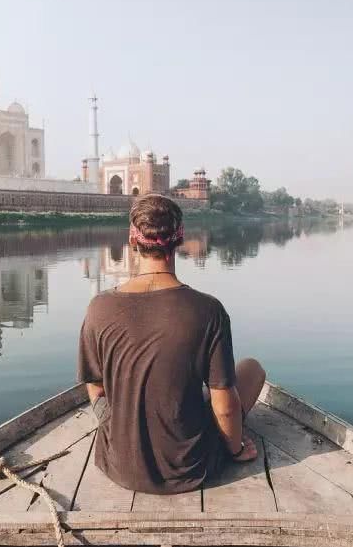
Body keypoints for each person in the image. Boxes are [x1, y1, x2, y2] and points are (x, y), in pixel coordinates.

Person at [78, 194, 266, 494]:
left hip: (119, 467)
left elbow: (96, 389)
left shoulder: (99, 307)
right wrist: (234, 450)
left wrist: (117, 429)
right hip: (192, 467)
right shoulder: (208, 310)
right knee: (252, 369)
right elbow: (225, 406)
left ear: (132, 240)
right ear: (179, 239)